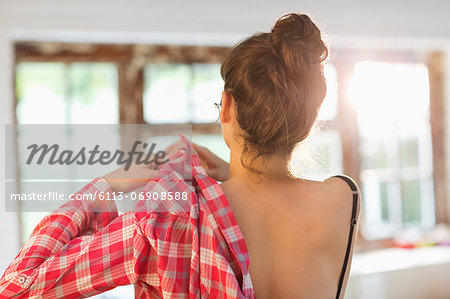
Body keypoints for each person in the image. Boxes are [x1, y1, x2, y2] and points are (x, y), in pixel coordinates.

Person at [0, 13, 360, 299]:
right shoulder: (344, 198)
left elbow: (18, 286)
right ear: (312, 116)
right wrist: (226, 177)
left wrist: (107, 185)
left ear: (227, 106)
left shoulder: (162, 222)